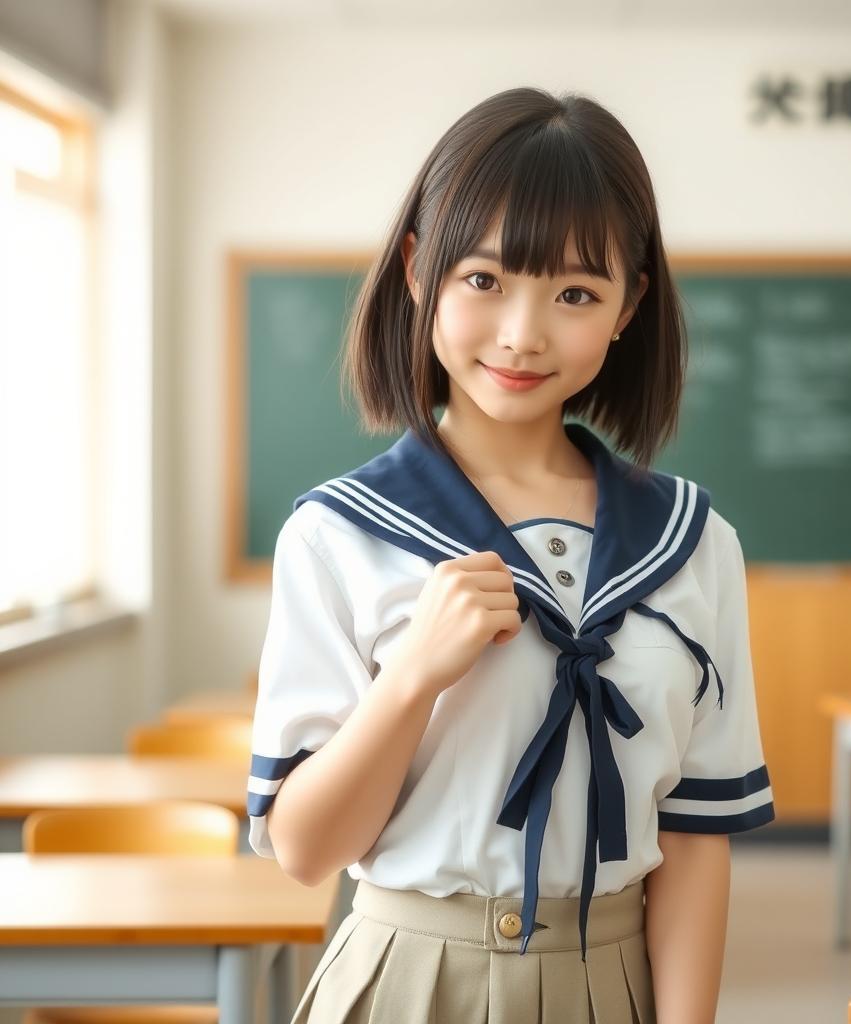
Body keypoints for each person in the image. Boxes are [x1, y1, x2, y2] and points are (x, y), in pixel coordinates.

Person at [246, 86, 775, 1024]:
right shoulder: (338, 534)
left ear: (628, 306)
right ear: (419, 273)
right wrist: (412, 677)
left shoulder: (694, 545)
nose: (523, 334)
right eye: (484, 280)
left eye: (575, 293)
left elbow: (694, 841)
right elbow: (304, 850)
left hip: (611, 985)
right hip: (404, 978)